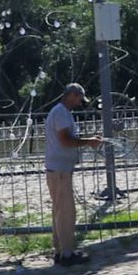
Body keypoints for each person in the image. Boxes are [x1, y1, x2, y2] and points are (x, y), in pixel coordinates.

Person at [44, 84, 103, 265]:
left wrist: (87, 140)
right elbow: (65, 140)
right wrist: (88, 142)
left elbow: (67, 138)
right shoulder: (61, 113)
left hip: (58, 169)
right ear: (72, 95)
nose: (79, 103)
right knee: (66, 213)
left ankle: (60, 251)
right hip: (60, 170)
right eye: (79, 99)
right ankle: (67, 255)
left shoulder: (61, 112)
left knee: (60, 211)